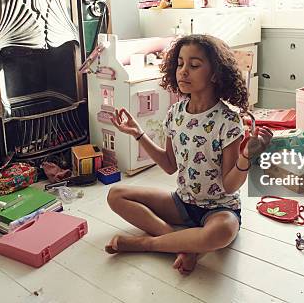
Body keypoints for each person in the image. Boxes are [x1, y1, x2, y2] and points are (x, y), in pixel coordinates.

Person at [105, 34, 272, 275]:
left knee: (223, 231)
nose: (183, 71)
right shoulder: (175, 113)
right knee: (116, 194)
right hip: (182, 203)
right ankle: (183, 244)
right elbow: (170, 165)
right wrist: (138, 133)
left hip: (218, 210)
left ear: (215, 74)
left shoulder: (228, 121)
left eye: (194, 65)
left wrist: (246, 157)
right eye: (180, 64)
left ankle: (147, 244)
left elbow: (229, 185)